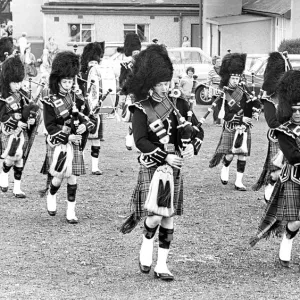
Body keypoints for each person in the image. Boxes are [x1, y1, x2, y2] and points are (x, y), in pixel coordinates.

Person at [120, 44, 204, 281]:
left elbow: (197, 131)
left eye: (167, 82)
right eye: (160, 84)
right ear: (149, 84)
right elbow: (140, 141)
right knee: (155, 215)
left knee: (168, 217)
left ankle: (162, 264)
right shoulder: (140, 109)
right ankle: (146, 243)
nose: (165, 88)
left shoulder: (180, 105)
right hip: (152, 165)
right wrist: (164, 154)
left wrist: (190, 146)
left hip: (174, 166)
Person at [250, 70, 300, 268]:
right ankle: (287, 241)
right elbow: (294, 156)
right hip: (293, 178)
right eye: (294, 110)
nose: (297, 113)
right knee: (295, 222)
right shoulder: (284, 130)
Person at [40, 51, 95, 223]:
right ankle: (51, 194)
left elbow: (90, 117)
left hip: (76, 144)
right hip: (60, 144)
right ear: (58, 81)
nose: (68, 84)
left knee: (73, 178)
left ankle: (71, 211)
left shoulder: (78, 99)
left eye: (70, 80)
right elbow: (49, 126)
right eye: (65, 81)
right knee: (59, 176)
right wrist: (67, 137)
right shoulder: (50, 101)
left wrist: (86, 125)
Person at [209, 53, 261, 191]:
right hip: (231, 126)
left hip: (244, 126)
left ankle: (239, 182)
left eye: (238, 77)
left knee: (243, 155)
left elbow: (255, 102)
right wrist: (234, 117)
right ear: (228, 77)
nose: (236, 80)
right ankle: (225, 167)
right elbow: (221, 112)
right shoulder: (223, 93)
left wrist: (256, 110)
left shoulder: (244, 89)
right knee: (230, 154)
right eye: (233, 77)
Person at [252, 52, 291, 202]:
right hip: (278, 136)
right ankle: (270, 184)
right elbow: (271, 122)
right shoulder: (268, 99)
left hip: (293, 136)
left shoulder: (290, 95)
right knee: (276, 169)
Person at [0, 54, 38, 198]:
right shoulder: (3, 96)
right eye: (14, 83)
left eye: (19, 82)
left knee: (20, 159)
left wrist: (30, 119)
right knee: (12, 156)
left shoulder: (22, 95)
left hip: (22, 132)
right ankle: (3, 174)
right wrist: (16, 122)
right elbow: (2, 116)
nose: (17, 85)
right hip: (9, 132)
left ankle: (17, 188)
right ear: (7, 80)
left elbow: (26, 111)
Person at [79, 41, 105, 175]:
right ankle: (80, 163)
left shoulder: (100, 73)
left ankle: (95, 167)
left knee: (96, 138)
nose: (94, 65)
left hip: (95, 108)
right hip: (82, 109)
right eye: (91, 62)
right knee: (81, 136)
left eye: (96, 62)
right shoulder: (80, 74)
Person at [117, 33, 141, 151]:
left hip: (143, 93)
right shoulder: (125, 64)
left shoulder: (143, 62)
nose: (136, 54)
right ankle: (130, 137)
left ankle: (135, 140)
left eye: (138, 52)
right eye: (134, 52)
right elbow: (122, 80)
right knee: (134, 118)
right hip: (132, 94)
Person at [207, 55, 222, 125]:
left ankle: (219, 121)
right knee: (215, 106)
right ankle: (216, 121)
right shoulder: (211, 71)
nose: (220, 62)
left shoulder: (223, 70)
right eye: (218, 61)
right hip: (214, 90)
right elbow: (208, 81)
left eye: (220, 61)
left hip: (222, 90)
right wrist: (207, 90)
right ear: (214, 62)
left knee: (221, 105)